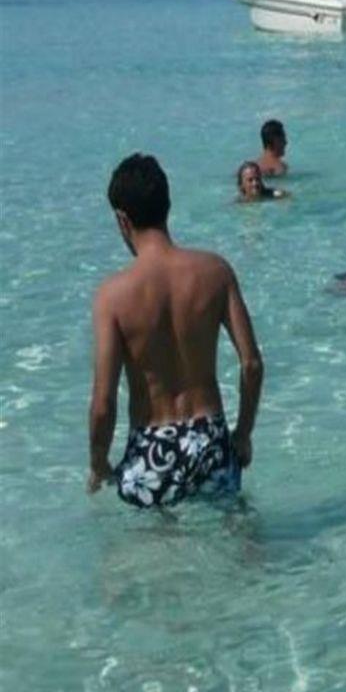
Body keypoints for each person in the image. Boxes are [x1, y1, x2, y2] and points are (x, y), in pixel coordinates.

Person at [89, 155, 262, 507]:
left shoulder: (112, 296)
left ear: (122, 219)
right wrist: (243, 433)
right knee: (233, 534)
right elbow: (252, 364)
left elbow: (103, 404)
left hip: (150, 449)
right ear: (167, 206)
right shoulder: (216, 272)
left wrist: (98, 463)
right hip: (210, 440)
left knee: (153, 542)